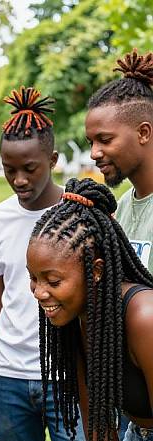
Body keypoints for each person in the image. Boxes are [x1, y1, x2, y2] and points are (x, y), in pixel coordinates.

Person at [0, 86, 103, 441]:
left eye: (29, 168)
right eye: (9, 169)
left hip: (69, 376)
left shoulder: (80, 213)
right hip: (10, 378)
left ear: (53, 161)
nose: (19, 180)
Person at [27, 177, 153, 441]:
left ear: (96, 270)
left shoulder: (144, 318)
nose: (39, 292)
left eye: (53, 281)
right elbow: (98, 422)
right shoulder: (78, 321)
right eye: (33, 278)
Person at [86, 49, 153, 274]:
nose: (94, 153)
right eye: (91, 142)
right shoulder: (123, 206)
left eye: (104, 140)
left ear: (143, 133)